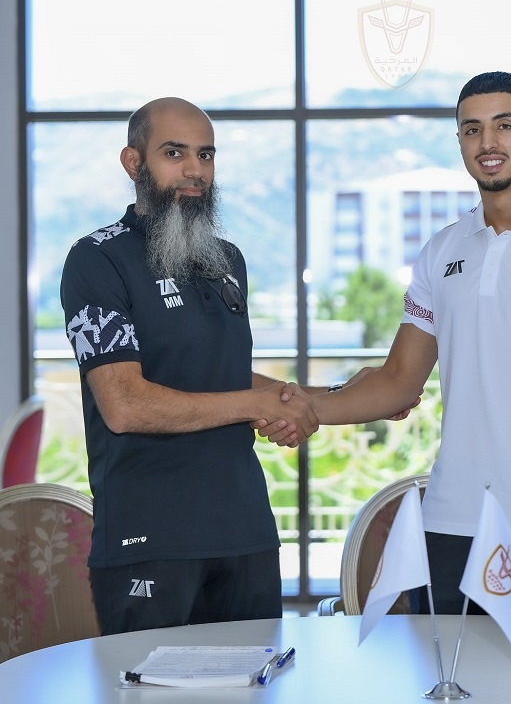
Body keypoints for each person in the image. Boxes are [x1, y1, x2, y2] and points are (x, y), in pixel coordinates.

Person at [261, 71, 511, 620]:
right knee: (452, 688)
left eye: (504, 125)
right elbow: (399, 380)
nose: (488, 143)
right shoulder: (441, 252)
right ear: (461, 143)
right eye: (472, 130)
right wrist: (302, 407)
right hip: (450, 523)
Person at [60, 97, 319, 635]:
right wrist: (256, 404)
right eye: (174, 153)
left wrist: (319, 399)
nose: (194, 170)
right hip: (148, 540)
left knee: (254, 689)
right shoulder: (96, 259)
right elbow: (125, 404)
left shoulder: (228, 261)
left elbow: (218, 373)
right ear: (134, 163)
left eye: (206, 154)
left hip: (245, 532)